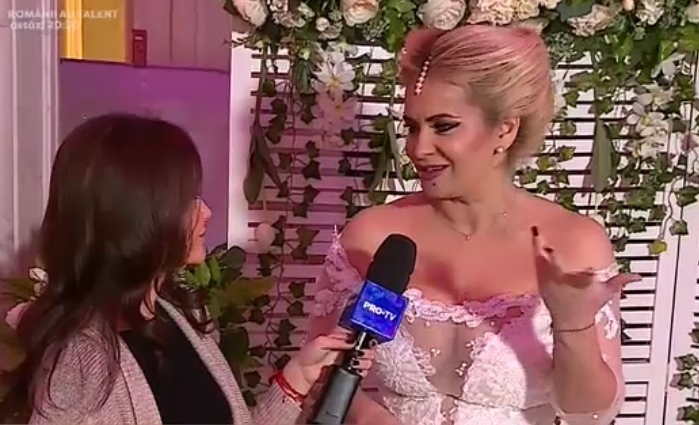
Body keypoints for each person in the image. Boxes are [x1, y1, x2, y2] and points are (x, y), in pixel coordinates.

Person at [306, 25, 640, 424]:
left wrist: (573, 324)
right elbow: (318, 372)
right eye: (412, 127)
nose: (418, 149)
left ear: (505, 129)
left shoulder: (574, 243)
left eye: (443, 126)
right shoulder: (371, 236)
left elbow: (591, 413)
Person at [7, 114, 375, 425]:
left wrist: (297, 379)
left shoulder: (175, 316)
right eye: (187, 200)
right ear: (140, 215)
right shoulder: (82, 364)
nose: (206, 213)